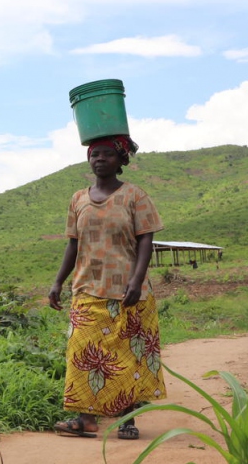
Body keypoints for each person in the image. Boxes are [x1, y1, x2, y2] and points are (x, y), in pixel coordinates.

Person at [47, 135, 166, 441]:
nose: (99, 159)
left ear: (121, 160)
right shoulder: (78, 199)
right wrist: (58, 282)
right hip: (86, 288)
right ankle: (86, 419)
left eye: (106, 155)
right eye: (94, 154)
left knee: (126, 354)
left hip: (127, 290)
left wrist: (137, 281)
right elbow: (73, 245)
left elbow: (145, 241)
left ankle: (127, 419)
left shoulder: (135, 196)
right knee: (82, 353)